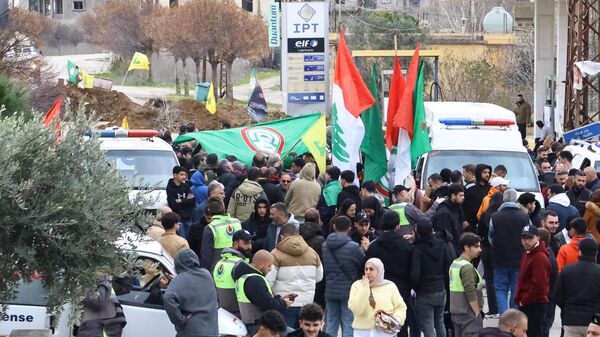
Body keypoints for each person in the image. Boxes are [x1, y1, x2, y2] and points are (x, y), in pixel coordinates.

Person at [365, 211, 416, 337]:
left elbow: (367, 267)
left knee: (381, 322)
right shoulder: (406, 246)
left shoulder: (374, 246)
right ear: (397, 225)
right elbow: (412, 268)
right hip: (402, 287)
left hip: (380, 288)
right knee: (401, 319)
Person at [267, 223, 323, 328]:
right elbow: (319, 277)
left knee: (286, 332)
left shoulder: (275, 253)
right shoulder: (312, 253)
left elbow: (269, 280)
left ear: (282, 237)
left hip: (285, 302)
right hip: (307, 303)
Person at [233, 250, 293, 336]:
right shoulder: (255, 280)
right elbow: (267, 304)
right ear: (261, 264)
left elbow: (261, 298)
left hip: (253, 323)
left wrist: (280, 299)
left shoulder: (244, 277)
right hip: (261, 325)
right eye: (269, 266)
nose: (270, 269)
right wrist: (284, 304)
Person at [322, 216, 364, 337]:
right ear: (350, 228)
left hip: (330, 289)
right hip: (348, 291)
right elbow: (361, 264)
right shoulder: (353, 247)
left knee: (331, 323)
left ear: (334, 226)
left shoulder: (325, 246)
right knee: (348, 324)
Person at [489, 189, 529, 314]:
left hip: (500, 258)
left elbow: (490, 237)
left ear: (503, 200)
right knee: (516, 289)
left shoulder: (494, 217)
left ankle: (504, 317)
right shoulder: (524, 217)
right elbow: (530, 236)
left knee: (500, 289)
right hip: (519, 259)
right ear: (516, 200)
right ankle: (513, 316)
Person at [411, 217, 452, 337]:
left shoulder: (418, 249)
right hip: (441, 289)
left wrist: (414, 288)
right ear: (432, 230)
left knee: (427, 325)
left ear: (417, 232)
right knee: (439, 322)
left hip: (424, 292)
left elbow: (415, 274)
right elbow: (447, 266)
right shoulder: (442, 244)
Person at [164, 249, 218, 337]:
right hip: (211, 331)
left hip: (190, 332)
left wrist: (180, 319)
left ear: (178, 264)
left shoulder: (179, 280)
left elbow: (167, 298)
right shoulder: (206, 274)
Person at [348, 258, 407, 337]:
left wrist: (396, 319)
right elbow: (357, 310)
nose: (368, 272)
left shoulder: (390, 286)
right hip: (363, 332)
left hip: (385, 331)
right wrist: (365, 287)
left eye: (371, 269)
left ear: (379, 271)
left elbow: (401, 307)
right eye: (366, 269)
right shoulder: (357, 286)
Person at [554, 239, 600, 337]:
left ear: (580, 251)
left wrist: (567, 308)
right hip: (595, 322)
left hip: (572, 320)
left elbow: (557, 296)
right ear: (596, 253)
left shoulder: (567, 270)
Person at [514, 225, 549, 337]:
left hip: (534, 305)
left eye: (529, 238)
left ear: (537, 238)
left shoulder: (539, 257)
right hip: (528, 304)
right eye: (524, 238)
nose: (526, 241)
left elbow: (539, 286)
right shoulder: (528, 253)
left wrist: (524, 300)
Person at [449, 233, 484, 337]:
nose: (480, 250)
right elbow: (470, 290)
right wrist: (477, 312)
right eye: (476, 246)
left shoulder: (455, 264)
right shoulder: (466, 267)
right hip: (468, 313)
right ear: (466, 247)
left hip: (457, 311)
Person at [213, 230, 253, 317]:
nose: (250, 247)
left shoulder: (220, 262)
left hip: (222, 312)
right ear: (235, 243)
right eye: (246, 243)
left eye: (251, 243)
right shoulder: (240, 264)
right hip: (238, 313)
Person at [477, 192, 503, 318]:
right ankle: (502, 306)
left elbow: (479, 231)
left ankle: (493, 308)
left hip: (487, 248)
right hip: (500, 249)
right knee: (501, 279)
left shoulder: (486, 214)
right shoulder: (502, 216)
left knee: (489, 279)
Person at [200, 197, 242, 271]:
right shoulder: (237, 222)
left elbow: (206, 256)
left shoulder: (211, 227)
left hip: (218, 269)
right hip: (236, 266)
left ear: (209, 210)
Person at [537, 228, 558, 337]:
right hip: (548, 302)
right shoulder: (549, 254)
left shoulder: (545, 258)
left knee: (542, 329)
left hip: (544, 302)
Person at [433, 184, 466, 251]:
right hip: (449, 249)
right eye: (460, 195)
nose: (463, 197)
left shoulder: (457, 208)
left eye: (463, 195)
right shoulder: (444, 212)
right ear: (453, 196)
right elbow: (444, 235)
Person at [167, 166, 196, 239]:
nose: (184, 177)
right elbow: (173, 205)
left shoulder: (186, 186)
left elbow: (192, 200)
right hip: (178, 220)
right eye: (182, 174)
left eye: (185, 175)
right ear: (175, 175)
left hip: (188, 217)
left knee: (190, 239)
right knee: (182, 239)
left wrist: (181, 200)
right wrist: (186, 201)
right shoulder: (170, 188)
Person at [463, 164, 492, 233]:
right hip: (471, 226)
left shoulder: (492, 189)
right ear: (478, 173)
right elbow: (461, 206)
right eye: (485, 172)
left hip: (487, 226)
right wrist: (464, 221)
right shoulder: (469, 189)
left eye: (488, 172)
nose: (487, 175)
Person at [317, 166, 342, 233]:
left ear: (329, 175)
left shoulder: (326, 190)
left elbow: (322, 205)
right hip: (339, 218)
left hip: (328, 220)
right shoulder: (340, 188)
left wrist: (321, 218)